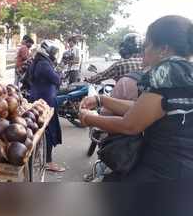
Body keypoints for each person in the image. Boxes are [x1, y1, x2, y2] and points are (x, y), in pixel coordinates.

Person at [79, 15, 193, 182]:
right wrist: (102, 100)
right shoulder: (185, 72)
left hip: (163, 169)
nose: (144, 52)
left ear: (163, 49)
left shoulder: (165, 73)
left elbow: (130, 125)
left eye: (147, 46)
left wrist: (89, 119)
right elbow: (145, 108)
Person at [26, 40, 64, 172]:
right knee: (48, 131)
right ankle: (48, 162)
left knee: (39, 130)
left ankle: (36, 157)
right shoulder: (44, 64)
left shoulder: (36, 62)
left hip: (36, 99)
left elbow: (27, 80)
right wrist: (59, 73)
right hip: (46, 102)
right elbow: (57, 80)